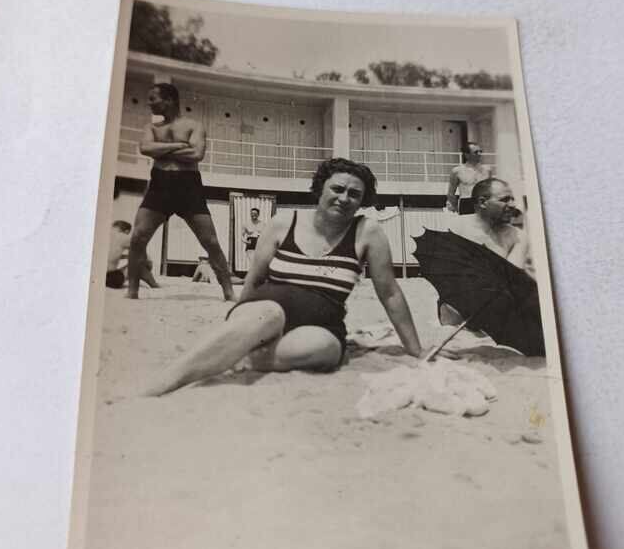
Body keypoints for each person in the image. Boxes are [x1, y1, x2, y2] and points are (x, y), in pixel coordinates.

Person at [146, 157, 422, 395]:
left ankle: (238, 357)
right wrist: (239, 321)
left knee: (326, 350)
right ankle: (166, 381)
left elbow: (390, 293)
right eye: (337, 189)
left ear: (362, 201)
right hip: (266, 310)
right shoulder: (283, 223)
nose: (344, 198)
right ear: (320, 188)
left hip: (321, 326)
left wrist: (415, 350)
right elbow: (253, 281)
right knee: (268, 313)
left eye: (354, 194)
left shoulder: (368, 232)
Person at [127, 84, 235, 301]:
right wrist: (179, 145)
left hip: (188, 186)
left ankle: (229, 292)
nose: (149, 103)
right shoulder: (151, 128)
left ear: (168, 100)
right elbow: (145, 149)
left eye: (153, 98)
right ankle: (132, 291)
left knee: (210, 241)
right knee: (138, 237)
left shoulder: (193, 125)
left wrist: (162, 149)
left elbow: (196, 154)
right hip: (160, 184)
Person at [440, 176, 533, 326]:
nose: (513, 205)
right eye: (505, 199)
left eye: (513, 199)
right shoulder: (457, 228)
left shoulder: (518, 237)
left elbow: (511, 276)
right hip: (457, 311)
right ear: (483, 202)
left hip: (495, 309)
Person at [106, 220, 158, 290]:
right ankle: (154, 284)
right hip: (110, 279)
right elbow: (142, 252)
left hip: (97, 277)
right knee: (139, 264)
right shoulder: (123, 237)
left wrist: (125, 257)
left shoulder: (105, 234)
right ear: (127, 231)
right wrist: (149, 264)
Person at [446, 142, 492, 215]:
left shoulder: (487, 170)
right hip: (466, 202)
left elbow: (490, 191)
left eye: (480, 151)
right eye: (476, 152)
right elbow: (451, 193)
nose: (479, 154)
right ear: (467, 155)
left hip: (483, 203)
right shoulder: (457, 171)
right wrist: (454, 207)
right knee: (467, 225)